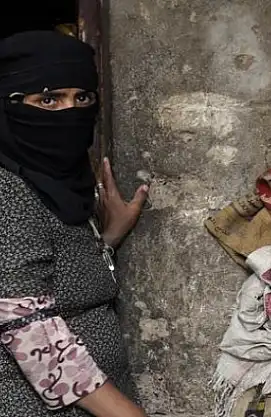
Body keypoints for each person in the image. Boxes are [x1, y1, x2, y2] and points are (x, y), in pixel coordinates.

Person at [0, 31, 149, 416]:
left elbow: (45, 271)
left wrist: (107, 238)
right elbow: (26, 326)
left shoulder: (54, 180)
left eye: (82, 98)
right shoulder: (7, 189)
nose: (69, 113)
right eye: (48, 99)